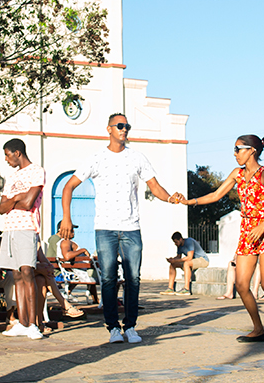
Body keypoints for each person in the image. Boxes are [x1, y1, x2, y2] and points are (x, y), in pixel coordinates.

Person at [58, 113, 185, 345]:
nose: (124, 129)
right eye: (119, 125)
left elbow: (154, 187)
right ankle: (113, 328)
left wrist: (170, 198)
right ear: (109, 129)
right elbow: (69, 187)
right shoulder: (96, 158)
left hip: (131, 228)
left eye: (127, 126)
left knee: (133, 278)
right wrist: (66, 218)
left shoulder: (137, 158)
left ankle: (131, 326)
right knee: (108, 279)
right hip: (105, 228)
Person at [182, 135, 264, 344]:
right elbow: (216, 195)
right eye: (234, 150)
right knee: (242, 285)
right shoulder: (237, 174)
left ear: (251, 150)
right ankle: (258, 329)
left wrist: (263, 226)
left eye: (238, 149)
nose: (234, 154)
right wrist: (190, 201)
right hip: (247, 234)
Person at [0, 138, 47, 340]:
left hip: (26, 227)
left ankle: (33, 324)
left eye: (8, 155)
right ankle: (22, 322)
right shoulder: (11, 177)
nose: (7, 160)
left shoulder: (37, 171)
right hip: (9, 229)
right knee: (16, 275)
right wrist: (18, 197)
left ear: (17, 153)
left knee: (27, 271)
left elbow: (29, 203)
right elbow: (1, 208)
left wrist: (14, 199)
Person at [163, 231, 209, 296]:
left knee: (186, 263)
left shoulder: (189, 242)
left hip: (203, 260)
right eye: (174, 242)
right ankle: (170, 288)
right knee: (173, 265)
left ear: (181, 239)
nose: (175, 244)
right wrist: (172, 260)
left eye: (176, 242)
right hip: (192, 261)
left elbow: (189, 257)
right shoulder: (179, 246)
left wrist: (176, 260)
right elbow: (178, 257)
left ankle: (186, 289)